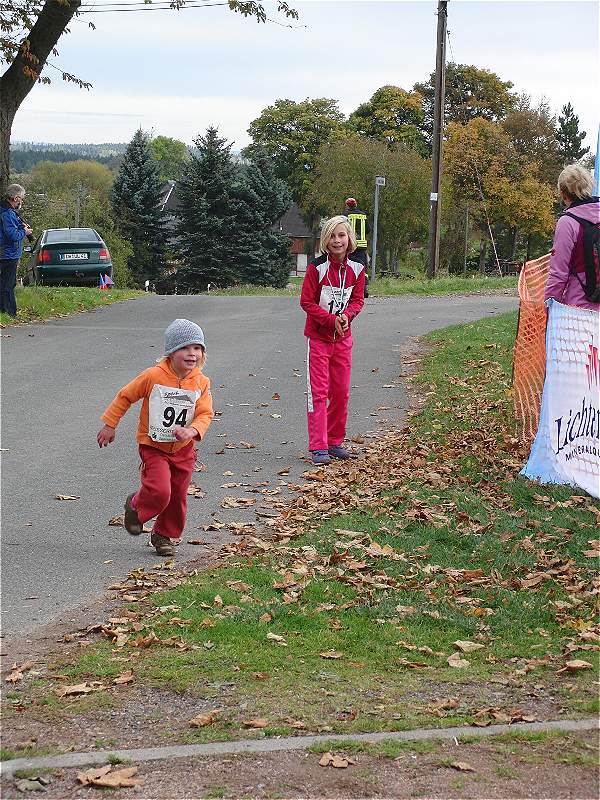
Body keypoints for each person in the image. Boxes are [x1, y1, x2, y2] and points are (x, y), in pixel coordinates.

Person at [97, 319, 213, 557]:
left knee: (178, 495)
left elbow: (205, 413)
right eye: (185, 348)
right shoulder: (153, 376)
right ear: (171, 351)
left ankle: (163, 535)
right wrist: (110, 424)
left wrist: (192, 430)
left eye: (197, 348)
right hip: (153, 445)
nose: (192, 353)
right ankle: (135, 508)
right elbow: (125, 396)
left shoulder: (201, 382)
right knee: (160, 491)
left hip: (183, 448)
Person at [300, 215, 366, 466]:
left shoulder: (357, 268)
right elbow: (306, 302)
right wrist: (330, 320)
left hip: (343, 340)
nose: (337, 241)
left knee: (340, 392)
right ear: (325, 240)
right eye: (332, 236)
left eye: (342, 235)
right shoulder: (316, 268)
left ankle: (334, 441)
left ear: (349, 239)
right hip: (319, 339)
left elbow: (358, 300)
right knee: (319, 393)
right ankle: (318, 446)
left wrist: (347, 316)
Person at [545, 164, 600, 311]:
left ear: (562, 193)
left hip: (579, 310)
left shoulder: (567, 222)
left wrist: (549, 306)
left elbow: (558, 274)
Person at [0, 184, 33, 317]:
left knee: (4, 283)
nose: (22, 201)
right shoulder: (7, 213)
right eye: (21, 198)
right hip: (8, 254)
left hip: (5, 253)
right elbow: (12, 235)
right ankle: (9, 313)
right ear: (15, 198)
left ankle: (4, 312)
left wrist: (20, 227)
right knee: (8, 285)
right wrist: (24, 232)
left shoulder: (5, 210)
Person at [343, 197, 370, 297]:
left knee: (348, 266)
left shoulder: (345, 216)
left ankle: (349, 289)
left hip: (350, 245)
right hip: (361, 246)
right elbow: (368, 230)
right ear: (356, 205)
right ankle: (364, 289)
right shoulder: (363, 216)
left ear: (347, 205)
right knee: (362, 267)